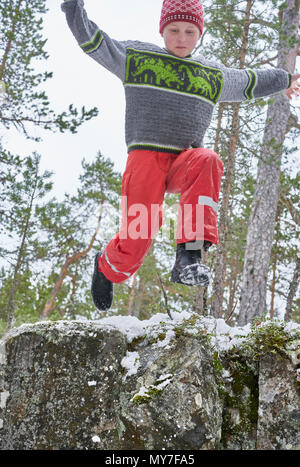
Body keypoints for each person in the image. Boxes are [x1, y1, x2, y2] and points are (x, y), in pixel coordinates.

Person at [61, 0, 300, 311]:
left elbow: (248, 81)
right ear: (162, 30)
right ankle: (107, 266)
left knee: (208, 159)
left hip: (184, 161)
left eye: (190, 31)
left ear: (199, 33)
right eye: (173, 30)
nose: (181, 38)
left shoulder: (211, 75)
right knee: (138, 237)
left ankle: (188, 256)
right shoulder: (137, 57)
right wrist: (72, 6)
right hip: (145, 160)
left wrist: (286, 79)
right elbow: (94, 41)